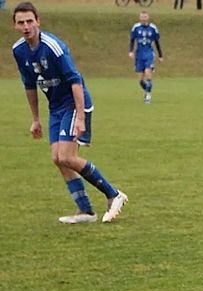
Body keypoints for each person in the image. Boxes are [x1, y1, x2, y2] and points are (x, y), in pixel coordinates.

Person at [12, 2, 128, 224]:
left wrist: (81, 118)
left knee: (66, 156)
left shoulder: (53, 47)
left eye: (29, 21)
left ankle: (114, 194)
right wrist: (35, 119)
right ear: (15, 25)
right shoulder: (18, 50)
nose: (26, 26)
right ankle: (86, 212)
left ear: (38, 21)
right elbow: (29, 85)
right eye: (21, 22)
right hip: (55, 107)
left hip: (75, 104)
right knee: (58, 159)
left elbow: (76, 82)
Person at [128, 11, 162, 105]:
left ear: (148, 17)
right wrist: (131, 51)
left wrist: (160, 55)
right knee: (140, 80)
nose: (143, 18)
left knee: (148, 72)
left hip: (149, 54)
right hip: (139, 55)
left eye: (145, 16)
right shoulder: (136, 27)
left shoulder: (153, 28)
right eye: (142, 17)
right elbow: (132, 40)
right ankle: (147, 90)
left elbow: (157, 42)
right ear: (139, 18)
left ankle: (148, 94)